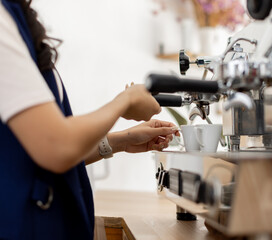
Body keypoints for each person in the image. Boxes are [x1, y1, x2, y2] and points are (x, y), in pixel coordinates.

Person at [0, 0, 179, 239]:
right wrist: (125, 101)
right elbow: (57, 145)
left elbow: (35, 148)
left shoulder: (15, 17)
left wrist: (120, 142)